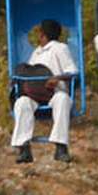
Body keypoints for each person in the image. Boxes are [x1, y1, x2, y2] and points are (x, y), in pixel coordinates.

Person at [11, 18, 76, 163]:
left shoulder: (60, 48)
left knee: (63, 100)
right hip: (35, 94)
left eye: (39, 32)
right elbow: (30, 71)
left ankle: (61, 147)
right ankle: (24, 148)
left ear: (43, 34)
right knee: (22, 103)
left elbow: (72, 71)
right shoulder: (37, 52)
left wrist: (57, 78)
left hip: (54, 92)